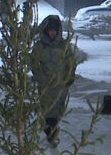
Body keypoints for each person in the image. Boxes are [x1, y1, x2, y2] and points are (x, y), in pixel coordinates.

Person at [31, 15, 77, 146]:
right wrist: (41, 78)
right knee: (48, 110)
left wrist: (70, 76)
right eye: (50, 30)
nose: (52, 33)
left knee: (58, 110)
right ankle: (50, 133)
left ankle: (53, 130)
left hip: (61, 84)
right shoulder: (40, 46)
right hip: (45, 85)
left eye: (54, 31)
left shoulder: (63, 45)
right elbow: (34, 64)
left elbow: (71, 63)